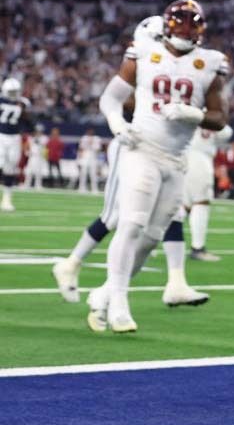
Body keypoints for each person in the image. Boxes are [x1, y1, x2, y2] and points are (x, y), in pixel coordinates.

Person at [85, 0, 227, 332]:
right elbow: (110, 98)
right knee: (131, 224)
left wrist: (195, 114)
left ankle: (105, 293)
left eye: (192, 25)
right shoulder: (144, 52)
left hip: (177, 160)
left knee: (151, 238)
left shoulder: (211, 63)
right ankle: (119, 302)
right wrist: (118, 125)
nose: (185, 31)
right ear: (166, 26)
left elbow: (220, 118)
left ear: (201, 29)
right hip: (142, 149)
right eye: (179, 24)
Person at [52, 15, 213, 309]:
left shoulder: (175, 63)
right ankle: (73, 264)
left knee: (172, 215)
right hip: (131, 145)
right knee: (115, 218)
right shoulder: (142, 62)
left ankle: (176, 281)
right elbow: (122, 100)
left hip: (166, 153)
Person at [186, 125, 232, 261]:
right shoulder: (209, 111)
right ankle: (198, 248)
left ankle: (148, 241)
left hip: (182, 157)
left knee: (182, 207)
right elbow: (226, 132)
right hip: (200, 160)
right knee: (201, 203)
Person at [0, 78, 32, 210]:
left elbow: (28, 121)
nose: (13, 95)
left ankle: (6, 200)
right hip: (1, 135)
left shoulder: (23, 103)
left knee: (10, 169)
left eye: (15, 92)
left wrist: (23, 110)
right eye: (11, 92)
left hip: (15, 138)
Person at [77, 128, 103, 193]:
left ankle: (94, 189)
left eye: (92, 132)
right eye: (89, 132)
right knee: (83, 173)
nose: (90, 133)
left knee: (93, 174)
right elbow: (81, 148)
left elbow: (98, 148)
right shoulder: (84, 138)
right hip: (85, 156)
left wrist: (91, 144)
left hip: (93, 156)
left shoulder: (97, 138)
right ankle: (82, 188)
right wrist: (79, 158)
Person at [24, 124, 47, 190]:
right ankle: (27, 184)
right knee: (29, 171)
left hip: (39, 157)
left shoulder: (44, 138)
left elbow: (44, 146)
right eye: (37, 131)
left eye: (40, 131)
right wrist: (27, 152)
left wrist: (44, 155)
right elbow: (26, 145)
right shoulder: (31, 137)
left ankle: (38, 185)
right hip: (32, 156)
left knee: (39, 171)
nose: (38, 132)